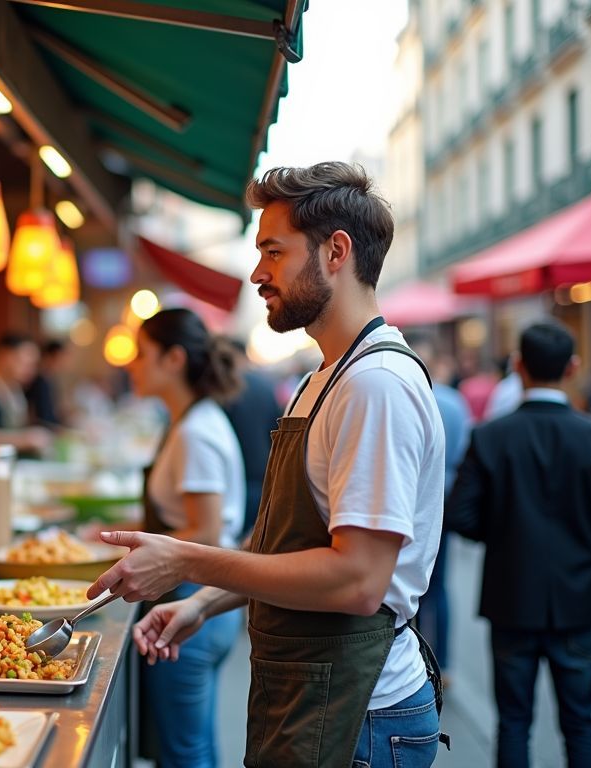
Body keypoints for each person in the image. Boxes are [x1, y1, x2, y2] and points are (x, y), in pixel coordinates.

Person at [88, 162, 446, 768]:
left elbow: (358, 580)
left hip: (362, 713)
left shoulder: (376, 384)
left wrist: (186, 560)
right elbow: (288, 539)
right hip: (312, 689)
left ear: (337, 251)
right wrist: (204, 600)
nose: (257, 273)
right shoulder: (324, 378)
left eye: (273, 252)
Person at [447, 322, 591, 768]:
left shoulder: (491, 436)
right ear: (573, 367)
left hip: (512, 594)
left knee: (513, 722)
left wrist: (505, 538)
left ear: (518, 366)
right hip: (579, 595)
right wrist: (586, 547)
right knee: (580, 723)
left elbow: (460, 515)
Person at [123, 307, 245, 768]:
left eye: (140, 354)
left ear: (174, 359)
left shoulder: (197, 431)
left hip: (197, 599)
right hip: (199, 597)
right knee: (192, 742)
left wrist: (137, 547)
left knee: (183, 750)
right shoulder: (187, 421)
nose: (131, 364)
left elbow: (207, 531)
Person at [408, 335, 471, 682]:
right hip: (444, 499)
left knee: (406, 582)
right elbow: (464, 453)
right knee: (440, 586)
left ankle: (413, 659)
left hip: (408, 502)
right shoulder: (453, 403)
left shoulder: (403, 398)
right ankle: (443, 664)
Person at [222, 338, 282, 536]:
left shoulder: (227, 389)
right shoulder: (266, 386)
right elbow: (276, 430)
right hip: (263, 477)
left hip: (233, 480)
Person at [0, 333, 50, 453]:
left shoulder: (15, 389)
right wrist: (27, 438)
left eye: (33, 365)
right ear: (3, 356)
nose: (31, 370)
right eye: (24, 363)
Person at [27, 339, 71, 429]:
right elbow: (42, 417)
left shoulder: (51, 381)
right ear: (48, 357)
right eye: (60, 359)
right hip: (41, 432)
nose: (62, 364)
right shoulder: (38, 382)